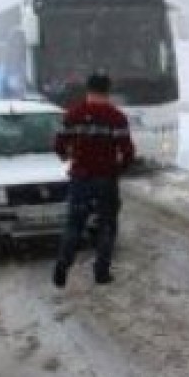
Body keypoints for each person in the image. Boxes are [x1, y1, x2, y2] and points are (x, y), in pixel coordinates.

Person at [52, 72, 135, 287]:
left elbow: (58, 144)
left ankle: (62, 267)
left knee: (74, 225)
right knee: (107, 225)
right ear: (108, 91)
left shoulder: (73, 114)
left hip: (80, 179)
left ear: (87, 90)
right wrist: (117, 169)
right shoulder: (117, 118)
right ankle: (101, 272)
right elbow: (127, 152)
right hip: (106, 180)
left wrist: (68, 156)